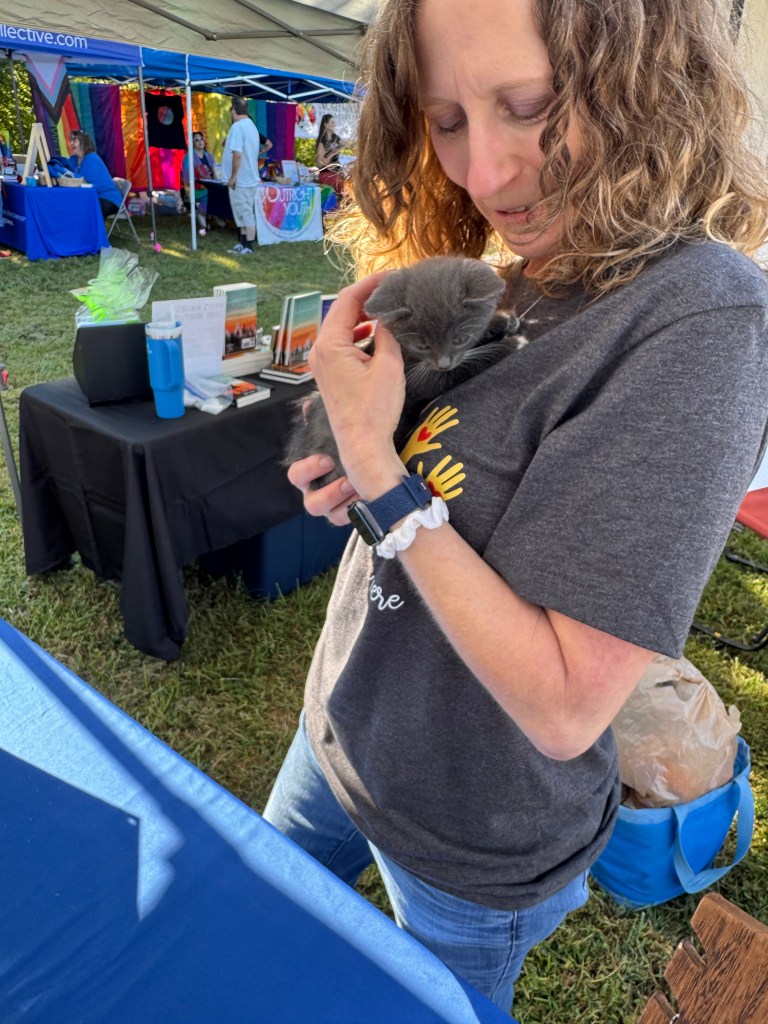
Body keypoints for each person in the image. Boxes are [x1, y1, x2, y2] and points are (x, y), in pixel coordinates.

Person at [264, 0, 768, 1014]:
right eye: (446, 121)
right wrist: (356, 452)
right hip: (336, 734)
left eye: (530, 106)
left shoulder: (700, 315)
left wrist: (374, 463)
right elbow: (433, 504)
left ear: (647, 81)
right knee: (258, 944)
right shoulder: (520, 276)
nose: (485, 173)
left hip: (469, 832)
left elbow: (565, 699)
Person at [220, 96, 270, 254]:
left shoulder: (238, 127)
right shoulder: (251, 126)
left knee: (245, 212)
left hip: (241, 179)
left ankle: (248, 246)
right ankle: (242, 243)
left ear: (233, 110)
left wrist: (233, 176)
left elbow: (237, 154)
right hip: (249, 177)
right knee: (242, 212)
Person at [60, 130, 122, 217]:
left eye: (75, 140)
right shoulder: (74, 159)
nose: (72, 143)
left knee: (82, 208)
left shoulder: (91, 159)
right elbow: (63, 167)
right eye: (71, 140)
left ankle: (90, 230)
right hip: (93, 196)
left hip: (108, 198)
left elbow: (81, 182)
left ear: (83, 142)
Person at [182, 131, 218, 232]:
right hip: (194, 187)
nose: (200, 142)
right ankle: (201, 214)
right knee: (209, 192)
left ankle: (216, 215)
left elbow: (216, 172)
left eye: (201, 139)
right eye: (196, 140)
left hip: (210, 184)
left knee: (220, 191)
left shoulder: (209, 156)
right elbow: (187, 176)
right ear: (193, 143)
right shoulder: (189, 157)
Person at [315, 113, 346, 198]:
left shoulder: (335, 138)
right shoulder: (322, 141)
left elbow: (347, 145)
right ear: (326, 125)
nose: (334, 124)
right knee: (341, 184)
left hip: (337, 172)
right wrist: (334, 153)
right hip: (326, 173)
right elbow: (320, 164)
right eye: (332, 122)